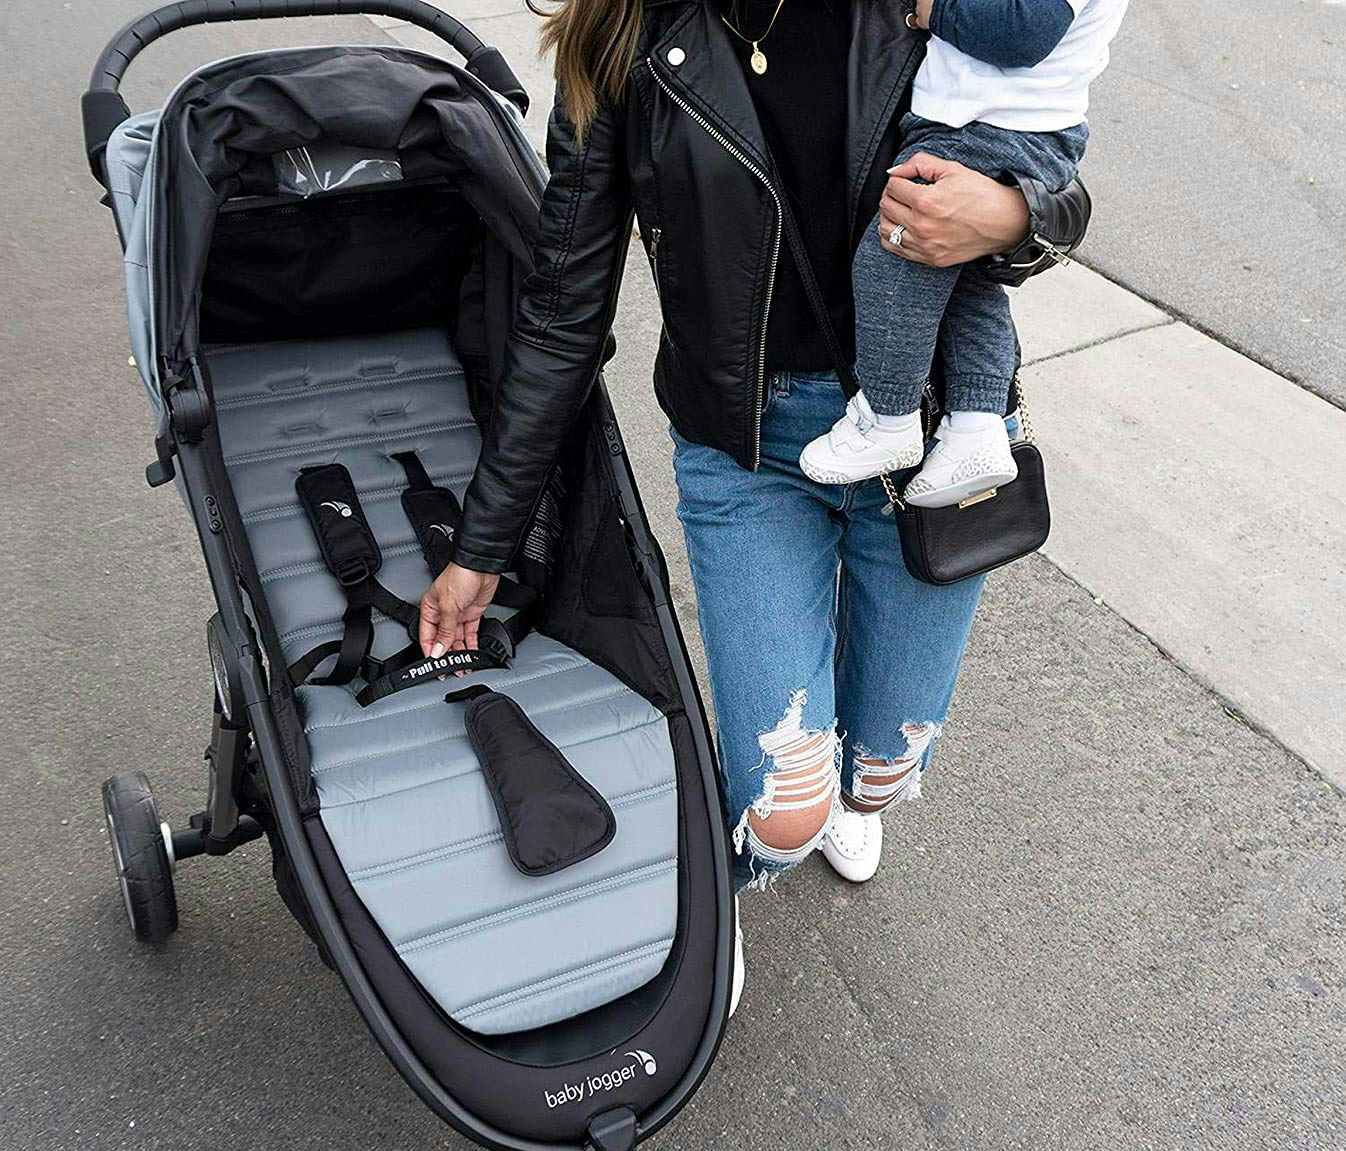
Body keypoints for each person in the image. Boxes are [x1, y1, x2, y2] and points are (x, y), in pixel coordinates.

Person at [418, 0, 1089, 918]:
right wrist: (483, 544)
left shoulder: (921, 7)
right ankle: (729, 893)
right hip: (748, 451)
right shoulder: (620, 36)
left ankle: (845, 793)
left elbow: (1055, 151)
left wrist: (1013, 218)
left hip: (929, 447)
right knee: (781, 811)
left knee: (882, 773)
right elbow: (561, 315)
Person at [800, 0, 1128, 506]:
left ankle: (887, 419)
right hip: (995, 123)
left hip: (996, 128)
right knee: (968, 279)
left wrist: (930, 9)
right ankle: (976, 428)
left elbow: (1022, 33)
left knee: (894, 251)